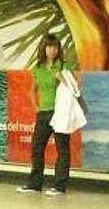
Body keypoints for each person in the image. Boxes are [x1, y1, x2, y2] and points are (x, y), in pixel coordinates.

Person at [16, 34, 71, 196]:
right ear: (44, 48)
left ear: (58, 49)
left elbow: (73, 87)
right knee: (37, 147)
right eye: (49, 47)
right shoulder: (38, 67)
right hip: (44, 113)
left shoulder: (63, 66)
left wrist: (61, 77)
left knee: (62, 149)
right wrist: (37, 107)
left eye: (55, 47)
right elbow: (32, 90)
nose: (52, 50)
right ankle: (34, 184)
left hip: (61, 112)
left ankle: (59, 186)